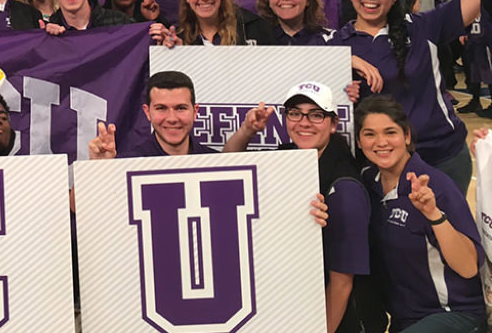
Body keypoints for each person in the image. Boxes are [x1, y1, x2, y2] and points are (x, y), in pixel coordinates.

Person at [225, 82, 375, 333]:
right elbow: (228, 164)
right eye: (295, 113)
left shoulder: (344, 187)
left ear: (334, 123)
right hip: (295, 302)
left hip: (339, 318)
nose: (304, 122)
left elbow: (342, 283)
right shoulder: (289, 156)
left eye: (316, 115)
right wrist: (247, 131)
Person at [331, 0, 481, 194]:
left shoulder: (424, 27)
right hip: (379, 165)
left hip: (441, 157)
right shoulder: (335, 44)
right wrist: (342, 61)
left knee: (450, 230)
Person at [356, 95, 485, 332]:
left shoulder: (436, 187)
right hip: (405, 319)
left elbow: (468, 267)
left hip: (453, 314)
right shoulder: (367, 183)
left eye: (390, 132)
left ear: (406, 136)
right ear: (359, 140)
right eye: (370, 134)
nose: (381, 142)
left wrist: (433, 214)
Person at [89, 71, 218, 158]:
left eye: (180, 108)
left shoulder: (217, 162)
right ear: (147, 112)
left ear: (195, 112)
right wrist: (98, 169)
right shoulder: (128, 162)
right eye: (161, 108)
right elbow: (76, 200)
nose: (172, 118)